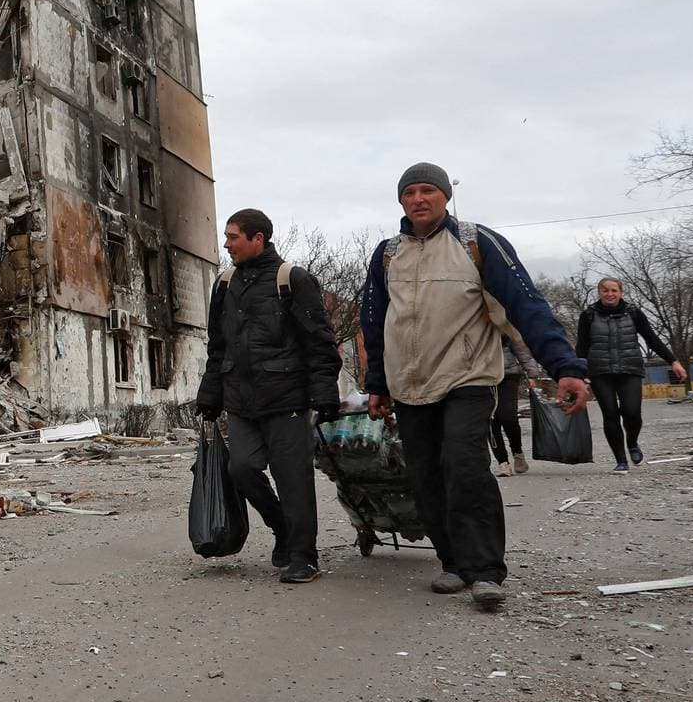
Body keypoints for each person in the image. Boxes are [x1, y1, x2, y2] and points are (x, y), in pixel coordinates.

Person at [360, 163, 591, 611]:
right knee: (426, 476)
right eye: (410, 192)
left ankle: (485, 571)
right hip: (409, 383)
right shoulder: (388, 253)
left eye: (429, 190)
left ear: (445, 196)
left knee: (465, 468)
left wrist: (564, 365)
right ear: (401, 200)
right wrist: (378, 384)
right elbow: (374, 321)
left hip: (467, 376)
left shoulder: (475, 242)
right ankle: (453, 562)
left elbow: (527, 305)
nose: (419, 198)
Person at [195, 209, 342, 583]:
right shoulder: (224, 284)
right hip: (241, 400)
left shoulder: (292, 279)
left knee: (293, 477)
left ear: (257, 238)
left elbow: (320, 343)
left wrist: (324, 392)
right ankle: (282, 528)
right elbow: (218, 346)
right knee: (240, 468)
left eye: (233, 237)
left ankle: (303, 556)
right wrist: (210, 394)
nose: (226, 244)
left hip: (287, 399)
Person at [577, 276, 689, 472]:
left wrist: (673, 361)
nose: (610, 294)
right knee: (610, 414)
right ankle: (621, 460)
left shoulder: (634, 313)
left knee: (632, 412)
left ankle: (632, 443)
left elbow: (652, 339)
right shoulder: (588, 315)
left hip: (630, 369)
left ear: (621, 292)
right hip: (600, 372)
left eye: (614, 290)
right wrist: (580, 375)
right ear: (599, 293)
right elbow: (582, 347)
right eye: (605, 290)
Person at [489, 331, 539, 477]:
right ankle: (502, 463)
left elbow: (521, 350)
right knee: (490, 420)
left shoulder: (503, 325)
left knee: (508, 416)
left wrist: (532, 374)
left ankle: (517, 452)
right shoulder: (469, 325)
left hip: (507, 375)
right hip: (481, 378)